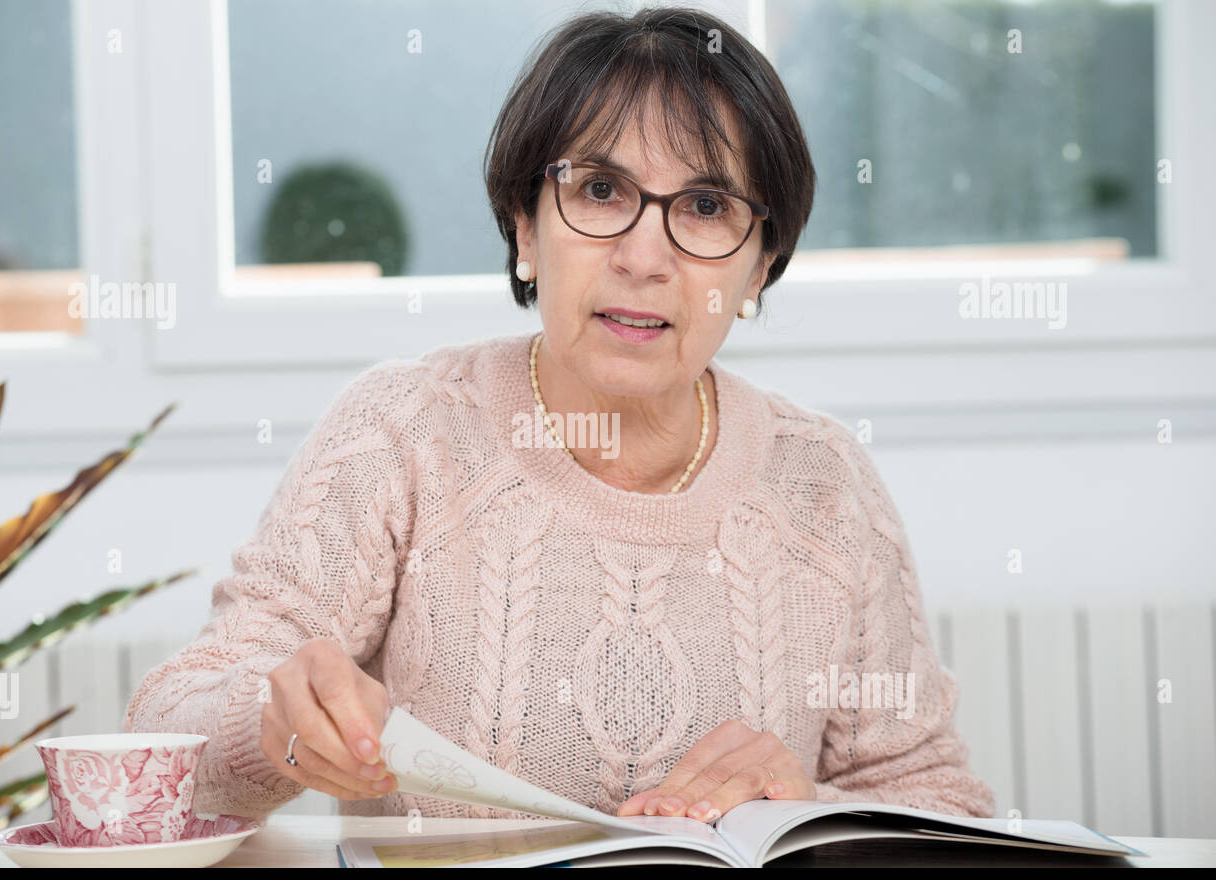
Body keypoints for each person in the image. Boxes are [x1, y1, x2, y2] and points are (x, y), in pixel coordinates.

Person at [125, 6, 995, 825]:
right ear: (525, 228)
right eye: (602, 190)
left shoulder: (827, 485)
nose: (644, 257)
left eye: (704, 207)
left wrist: (806, 804)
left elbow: (942, 803)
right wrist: (273, 719)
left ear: (761, 265)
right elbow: (163, 733)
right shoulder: (403, 433)